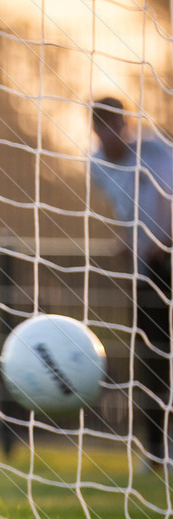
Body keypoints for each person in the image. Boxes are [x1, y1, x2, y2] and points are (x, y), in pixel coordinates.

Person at [90, 97, 173, 472]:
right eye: (103, 126)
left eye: (116, 124)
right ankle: (156, 451)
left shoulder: (157, 150)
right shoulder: (97, 166)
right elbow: (125, 208)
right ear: (95, 129)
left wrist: (164, 237)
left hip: (167, 259)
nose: (111, 133)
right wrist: (126, 238)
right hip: (147, 273)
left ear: (126, 124)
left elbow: (164, 198)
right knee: (151, 360)